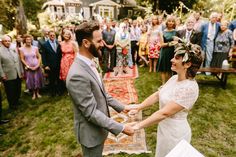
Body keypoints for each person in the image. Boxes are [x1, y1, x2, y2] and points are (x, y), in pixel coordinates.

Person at [66, 21, 134, 157]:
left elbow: (102, 93)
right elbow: (90, 112)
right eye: (99, 41)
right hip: (90, 134)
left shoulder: (90, 62)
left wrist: (122, 107)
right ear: (86, 43)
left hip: (99, 128)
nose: (102, 44)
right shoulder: (77, 75)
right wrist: (121, 127)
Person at [130, 42, 203, 157]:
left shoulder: (189, 88)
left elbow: (164, 113)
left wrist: (138, 125)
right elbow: (158, 95)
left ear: (187, 64)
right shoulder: (174, 78)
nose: (171, 60)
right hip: (164, 129)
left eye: (177, 58)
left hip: (175, 134)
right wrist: (139, 107)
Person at [0, 35, 24, 110]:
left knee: (18, 88)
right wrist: (2, 75)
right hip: (7, 74)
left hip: (17, 72)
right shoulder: (0, 51)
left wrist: (21, 71)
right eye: (5, 41)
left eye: (9, 41)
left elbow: (18, 60)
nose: (7, 42)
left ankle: (17, 100)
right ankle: (12, 104)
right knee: (10, 90)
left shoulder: (13, 48)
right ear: (2, 42)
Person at [19, 35, 44, 100]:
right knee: (31, 80)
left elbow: (39, 56)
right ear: (25, 40)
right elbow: (22, 59)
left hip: (37, 66)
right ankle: (33, 93)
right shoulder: (21, 49)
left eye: (30, 40)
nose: (28, 41)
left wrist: (38, 65)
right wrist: (28, 66)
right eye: (27, 39)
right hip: (28, 68)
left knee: (37, 79)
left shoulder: (35, 48)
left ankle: (38, 92)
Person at [41, 30, 62, 96]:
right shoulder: (45, 44)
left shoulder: (58, 43)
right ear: (48, 36)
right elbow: (43, 56)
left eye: (53, 35)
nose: (52, 36)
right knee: (52, 79)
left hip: (58, 64)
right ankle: (52, 92)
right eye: (51, 35)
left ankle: (59, 91)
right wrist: (45, 65)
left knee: (58, 79)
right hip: (50, 65)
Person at [158, 16, 177, 84]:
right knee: (163, 68)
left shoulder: (176, 32)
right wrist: (171, 43)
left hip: (172, 51)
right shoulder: (162, 32)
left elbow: (177, 42)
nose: (171, 23)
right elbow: (162, 44)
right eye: (169, 21)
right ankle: (163, 83)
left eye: (172, 21)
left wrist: (173, 43)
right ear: (167, 22)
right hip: (164, 52)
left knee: (170, 68)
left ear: (174, 23)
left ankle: (168, 83)